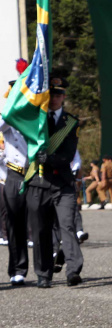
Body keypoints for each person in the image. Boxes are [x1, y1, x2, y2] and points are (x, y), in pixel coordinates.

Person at [26, 73, 83, 288]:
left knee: (67, 225)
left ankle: (73, 270)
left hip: (62, 184)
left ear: (64, 97)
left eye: (59, 95)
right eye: (51, 94)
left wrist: (48, 158)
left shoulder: (71, 123)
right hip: (38, 183)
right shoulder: (35, 121)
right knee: (40, 229)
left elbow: (67, 155)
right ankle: (43, 273)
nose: (55, 99)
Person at [1, 113, 29, 285]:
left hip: (39, 172)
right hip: (14, 174)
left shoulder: (38, 112)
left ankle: (46, 267)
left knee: (44, 219)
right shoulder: (8, 118)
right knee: (14, 222)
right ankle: (18, 269)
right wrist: (11, 111)